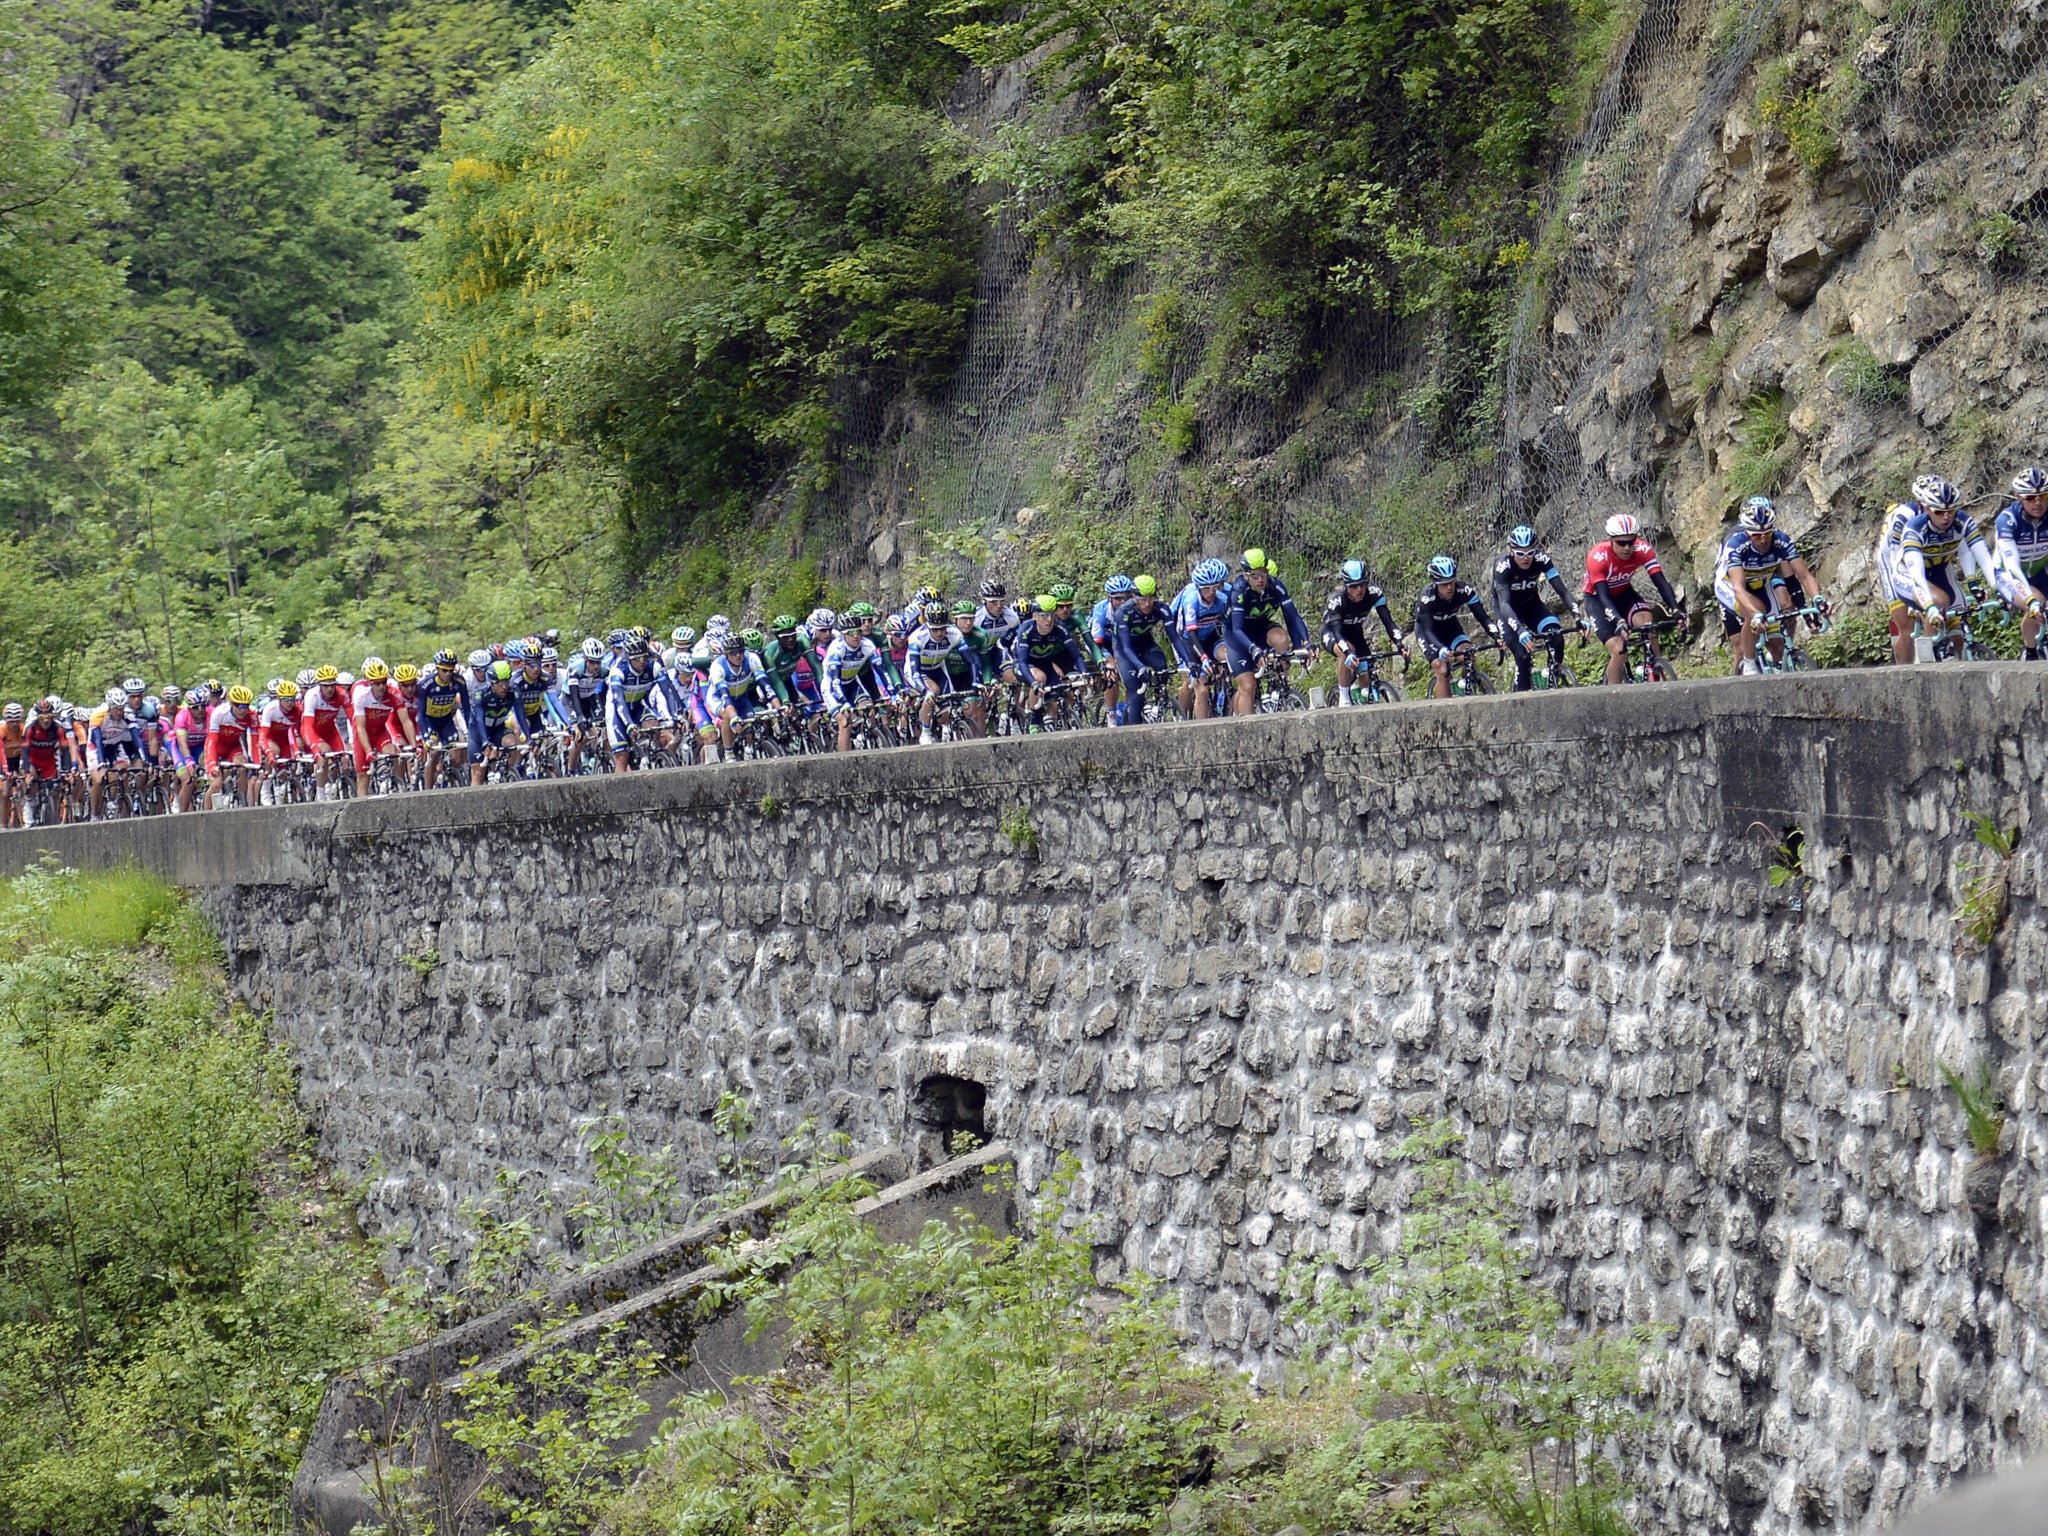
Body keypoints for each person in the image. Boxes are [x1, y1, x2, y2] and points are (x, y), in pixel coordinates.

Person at [1714, 497, 1828, 673]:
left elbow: (1804, 576)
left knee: (1777, 646)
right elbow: (1738, 587)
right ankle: (1749, 664)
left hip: (1761, 582)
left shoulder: (1781, 540)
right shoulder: (1736, 545)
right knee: (1756, 611)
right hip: (1730, 585)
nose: (1764, 540)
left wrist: (1818, 599)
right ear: (1747, 534)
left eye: (1767, 534)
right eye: (1757, 536)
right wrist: (1755, 615)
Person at [1894, 474, 1993, 661]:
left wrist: (1975, 583)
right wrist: (1926, 605)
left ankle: (1958, 660)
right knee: (1939, 601)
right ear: (1926, 507)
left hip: (1940, 570)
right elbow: (1916, 574)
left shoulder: (1960, 522)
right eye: (1939, 512)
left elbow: (1971, 553)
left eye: (1951, 511)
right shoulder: (1914, 526)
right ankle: (1927, 656)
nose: (1946, 517)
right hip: (1909, 573)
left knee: (1961, 615)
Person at [1583, 514, 1683, 684]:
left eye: (1631, 541)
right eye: (1621, 543)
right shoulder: (1598, 557)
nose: (1627, 548)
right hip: (1598, 599)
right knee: (1619, 649)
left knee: (1647, 624)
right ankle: (1612, 696)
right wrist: (1619, 620)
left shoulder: (1642, 549)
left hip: (1624, 593)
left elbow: (1660, 581)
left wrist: (1676, 610)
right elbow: (1604, 596)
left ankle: (1656, 668)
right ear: (1611, 540)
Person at [1488, 528, 1581, 691]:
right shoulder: (1503, 566)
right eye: (1520, 553)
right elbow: (1504, 604)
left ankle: (1553, 681)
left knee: (1557, 637)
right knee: (1523, 656)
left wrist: (1577, 615)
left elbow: (1562, 591)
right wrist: (1520, 629)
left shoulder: (1541, 559)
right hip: (1507, 610)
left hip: (1532, 605)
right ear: (1511, 551)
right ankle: (1522, 700)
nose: (1526, 558)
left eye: (1530, 552)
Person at [1224, 549, 1309, 715]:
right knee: (1248, 686)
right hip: (1238, 636)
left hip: (1261, 627)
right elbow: (1238, 629)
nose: (1260, 580)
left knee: (1281, 639)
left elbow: (1292, 617)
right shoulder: (1239, 591)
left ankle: (1280, 685)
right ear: (1246, 575)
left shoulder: (1275, 585)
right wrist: (1254, 650)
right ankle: (1248, 730)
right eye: (1255, 576)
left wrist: (1304, 643)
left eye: (1263, 574)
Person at [1412, 556, 1503, 698]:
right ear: (1434, 583)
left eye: (1451, 582)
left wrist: (1497, 636)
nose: (1449, 587)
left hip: (1450, 627)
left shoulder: (1464, 590)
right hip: (1428, 632)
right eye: (1444, 584)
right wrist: (1441, 648)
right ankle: (1445, 713)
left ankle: (1467, 690)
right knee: (1443, 669)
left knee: (1468, 656)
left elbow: (1483, 618)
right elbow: (1428, 631)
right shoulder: (1427, 598)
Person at [1321, 560, 1407, 703]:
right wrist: (1348, 653)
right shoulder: (1336, 601)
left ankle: (1361, 697)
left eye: (1362, 584)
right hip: (1333, 634)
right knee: (1348, 651)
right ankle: (1344, 697)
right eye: (1353, 586)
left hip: (1355, 634)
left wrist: (1400, 644)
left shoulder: (1374, 594)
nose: (1359, 590)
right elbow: (1338, 633)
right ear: (1346, 586)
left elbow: (1389, 623)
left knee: (1366, 675)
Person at [905, 600, 984, 742]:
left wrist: (976, 682)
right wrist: (925, 691)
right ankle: (926, 732)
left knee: (949, 702)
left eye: (943, 628)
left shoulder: (954, 634)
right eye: (935, 629)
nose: (940, 633)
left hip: (938, 667)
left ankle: (944, 729)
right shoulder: (917, 638)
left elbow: (970, 661)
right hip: (918, 670)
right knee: (932, 691)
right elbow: (915, 671)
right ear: (927, 626)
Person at [1993, 467, 2048, 659]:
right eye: (2031, 498)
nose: (2039, 502)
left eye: (2043, 496)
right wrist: (2031, 600)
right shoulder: (2008, 520)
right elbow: (2012, 565)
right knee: (2036, 602)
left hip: (2040, 570)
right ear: (2019, 498)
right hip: (2009, 573)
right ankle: (2030, 652)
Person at [819, 612, 892, 752]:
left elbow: (882, 672)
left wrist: (893, 694)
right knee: (845, 722)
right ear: (843, 634)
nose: (856, 636)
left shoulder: (867, 645)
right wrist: (844, 703)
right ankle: (844, 761)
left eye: (858, 632)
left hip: (852, 683)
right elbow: (835, 682)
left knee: (869, 711)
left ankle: (868, 740)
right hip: (833, 687)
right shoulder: (836, 649)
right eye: (851, 633)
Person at [1009, 595, 1085, 728]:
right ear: (1035, 616)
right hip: (1024, 665)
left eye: (1051, 615)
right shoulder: (1026, 630)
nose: (1049, 620)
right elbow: (1022, 662)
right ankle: (1034, 721)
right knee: (1039, 678)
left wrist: (1084, 673)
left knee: (1055, 705)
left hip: (1046, 665)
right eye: (1044, 616)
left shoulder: (1060, 628)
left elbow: (1076, 655)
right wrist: (1033, 683)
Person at [1111, 576, 1178, 724]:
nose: (1148, 604)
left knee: (1162, 667)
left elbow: (1175, 638)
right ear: (1134, 598)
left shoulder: (1161, 608)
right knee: (1136, 694)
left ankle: (1157, 703)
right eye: (1143, 599)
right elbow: (1126, 647)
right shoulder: (1123, 612)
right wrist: (1140, 666)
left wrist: (1188, 662)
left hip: (1146, 644)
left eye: (1151, 598)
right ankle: (1134, 735)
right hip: (1125, 650)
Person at [350, 658, 420, 797]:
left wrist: (414, 745)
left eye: (383, 682)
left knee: (392, 753)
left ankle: (392, 784)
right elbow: (361, 728)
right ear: (370, 683)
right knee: (363, 777)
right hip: (363, 735)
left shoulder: (394, 694)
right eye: (377, 683)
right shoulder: (362, 696)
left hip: (381, 732)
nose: (381, 687)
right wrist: (368, 750)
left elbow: (406, 721)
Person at [1173, 559, 1232, 719]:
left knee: (1229, 656)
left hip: (1210, 636)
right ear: (1199, 587)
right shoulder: (1191, 599)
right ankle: (1183, 718)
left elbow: (1232, 625)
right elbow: (1191, 635)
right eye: (1207, 588)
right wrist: (1204, 658)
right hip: (1187, 641)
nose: (1212, 592)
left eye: (1216, 586)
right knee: (1200, 688)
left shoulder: (1223, 596)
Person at [603, 637, 672, 773]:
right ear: (629, 658)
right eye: (637, 659)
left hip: (639, 706)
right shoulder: (618, 670)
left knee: (654, 726)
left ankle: (653, 756)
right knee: (622, 755)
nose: (642, 662)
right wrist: (629, 723)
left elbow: (669, 693)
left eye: (644, 658)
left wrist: (677, 715)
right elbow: (619, 702)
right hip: (617, 709)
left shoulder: (653, 667)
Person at [705, 631, 773, 756]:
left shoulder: (752, 658)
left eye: (741, 651)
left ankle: (751, 755)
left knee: (749, 730)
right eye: (733, 653)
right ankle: (728, 753)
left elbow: (765, 684)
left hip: (741, 698)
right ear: (726, 654)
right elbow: (725, 696)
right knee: (727, 715)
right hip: (718, 698)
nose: (738, 656)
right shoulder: (717, 666)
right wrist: (734, 717)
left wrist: (779, 706)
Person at [415, 650, 477, 787]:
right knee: (434, 753)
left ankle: (453, 779)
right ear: (437, 668)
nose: (448, 674)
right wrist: (426, 738)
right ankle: (428, 791)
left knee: (457, 756)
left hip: (446, 722)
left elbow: (466, 709)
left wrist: (472, 730)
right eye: (444, 670)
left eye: (451, 670)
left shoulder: (459, 681)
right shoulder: (426, 685)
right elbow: (420, 714)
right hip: (429, 721)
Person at [203, 685, 258, 809]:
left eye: (246, 706)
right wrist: (212, 765)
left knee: (243, 767)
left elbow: (255, 743)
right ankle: (205, 816)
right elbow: (212, 741)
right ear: (231, 703)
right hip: (216, 747)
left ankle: (241, 802)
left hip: (233, 747)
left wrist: (257, 765)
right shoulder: (219, 713)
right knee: (216, 784)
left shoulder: (252, 715)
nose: (243, 710)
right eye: (239, 706)